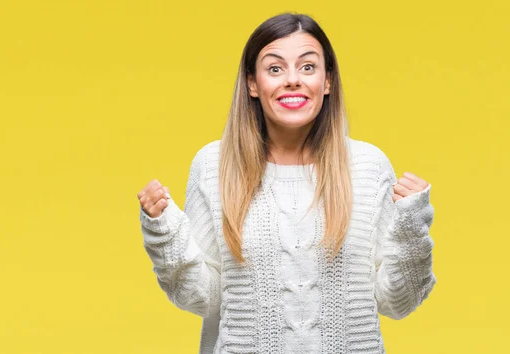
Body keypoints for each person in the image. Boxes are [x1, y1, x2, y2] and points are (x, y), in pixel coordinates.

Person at [136, 12, 436, 354]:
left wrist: (412, 229)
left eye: (307, 67)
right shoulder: (214, 165)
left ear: (327, 82)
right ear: (252, 83)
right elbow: (202, 298)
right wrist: (164, 234)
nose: (292, 80)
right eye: (275, 68)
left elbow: (397, 302)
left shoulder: (367, 167)